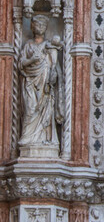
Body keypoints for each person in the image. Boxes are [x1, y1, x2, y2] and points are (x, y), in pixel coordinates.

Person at [19, 15, 64, 151]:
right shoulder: (28, 45)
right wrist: (32, 60)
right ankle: (27, 140)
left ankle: (46, 139)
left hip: (44, 85)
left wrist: (53, 77)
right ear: (32, 27)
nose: (40, 28)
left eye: (42, 26)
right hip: (30, 82)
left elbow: (55, 67)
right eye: (37, 25)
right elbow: (21, 64)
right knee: (30, 108)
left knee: (46, 110)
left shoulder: (48, 46)